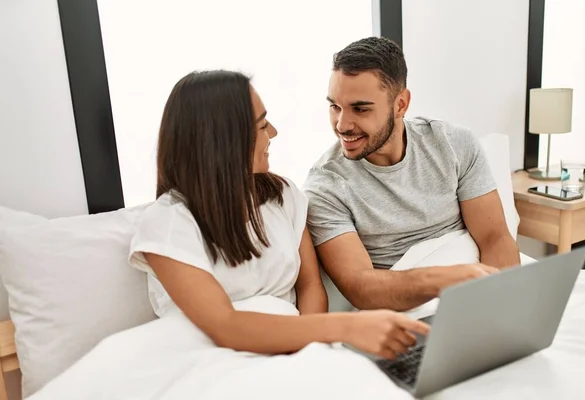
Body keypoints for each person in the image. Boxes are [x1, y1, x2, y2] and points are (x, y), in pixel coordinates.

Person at [127, 70, 429, 361]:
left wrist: (306, 354)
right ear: (223, 141)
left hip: (292, 350)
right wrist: (347, 327)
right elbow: (226, 327)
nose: (273, 132)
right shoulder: (169, 224)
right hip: (210, 358)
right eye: (261, 125)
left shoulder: (283, 196)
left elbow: (310, 287)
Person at [303, 37, 521, 312]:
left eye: (360, 109)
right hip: (411, 310)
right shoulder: (325, 187)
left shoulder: (454, 144)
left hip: (480, 294)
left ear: (401, 104)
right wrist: (446, 280)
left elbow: (495, 238)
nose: (342, 124)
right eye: (334, 106)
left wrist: (501, 304)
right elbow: (361, 288)